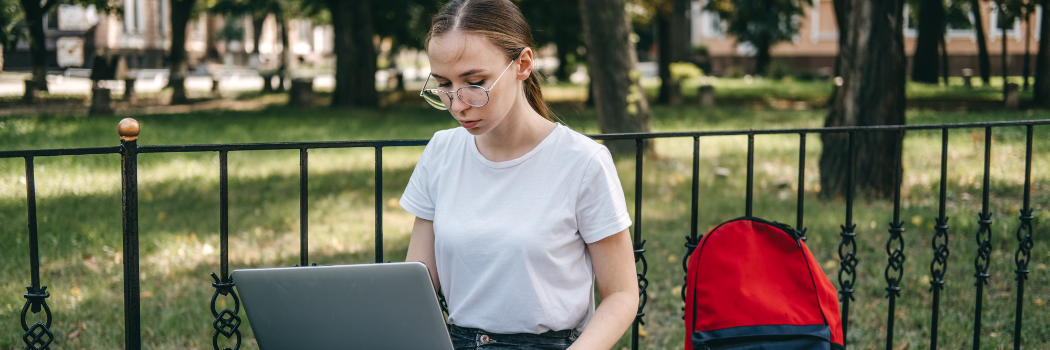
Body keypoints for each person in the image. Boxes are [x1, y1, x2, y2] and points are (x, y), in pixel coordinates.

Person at [401, 0, 638, 349]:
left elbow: (621, 294)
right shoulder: (441, 152)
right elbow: (416, 286)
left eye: (475, 82)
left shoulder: (583, 162)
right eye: (444, 85)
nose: (458, 104)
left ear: (522, 65)